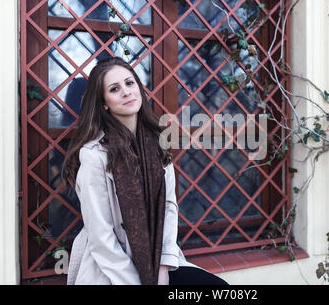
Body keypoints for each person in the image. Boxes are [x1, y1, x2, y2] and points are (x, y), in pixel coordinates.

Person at [62, 56, 227, 285]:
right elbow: (102, 237)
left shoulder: (157, 142)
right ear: (104, 103)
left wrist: (162, 268)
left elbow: (169, 207)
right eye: (114, 88)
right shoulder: (93, 156)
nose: (127, 92)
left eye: (130, 84)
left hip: (156, 256)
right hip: (112, 268)